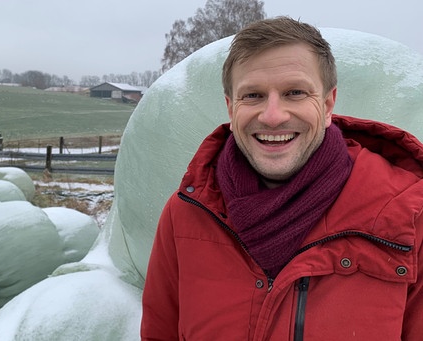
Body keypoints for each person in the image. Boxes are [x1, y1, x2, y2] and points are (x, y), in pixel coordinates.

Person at [140, 16, 423, 340]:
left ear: (328, 103)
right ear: (231, 109)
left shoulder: (409, 219)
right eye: (253, 96)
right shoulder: (185, 215)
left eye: (295, 92)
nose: (273, 116)